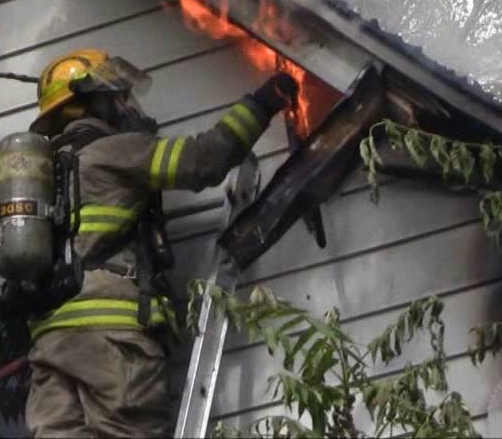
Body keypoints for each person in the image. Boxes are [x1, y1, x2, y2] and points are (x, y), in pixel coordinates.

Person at [16, 48, 296, 437]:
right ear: (91, 103)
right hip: (111, 341)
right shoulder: (115, 151)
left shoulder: (40, 177)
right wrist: (264, 102)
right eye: (116, 96)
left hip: (51, 345)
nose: (126, 105)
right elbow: (203, 159)